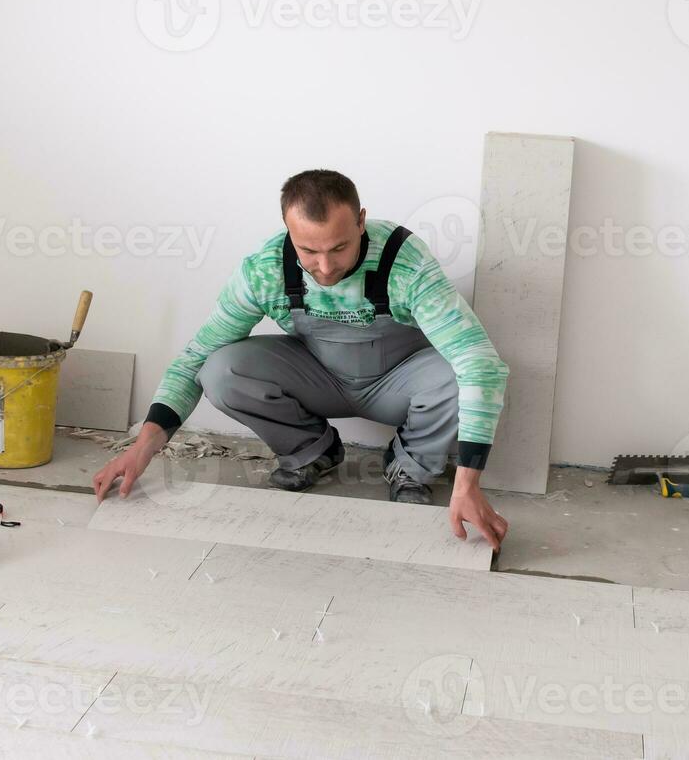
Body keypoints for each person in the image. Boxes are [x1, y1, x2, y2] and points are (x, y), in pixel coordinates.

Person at [92, 169, 512, 549]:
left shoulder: (406, 263)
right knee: (220, 367)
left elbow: (479, 364)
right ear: (287, 231)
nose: (325, 267)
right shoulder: (263, 270)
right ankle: (312, 452)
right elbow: (195, 356)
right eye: (309, 251)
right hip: (320, 379)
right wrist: (143, 447)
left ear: (361, 220)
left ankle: (411, 467)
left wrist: (467, 483)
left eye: (340, 247)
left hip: (398, 383)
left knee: (457, 376)